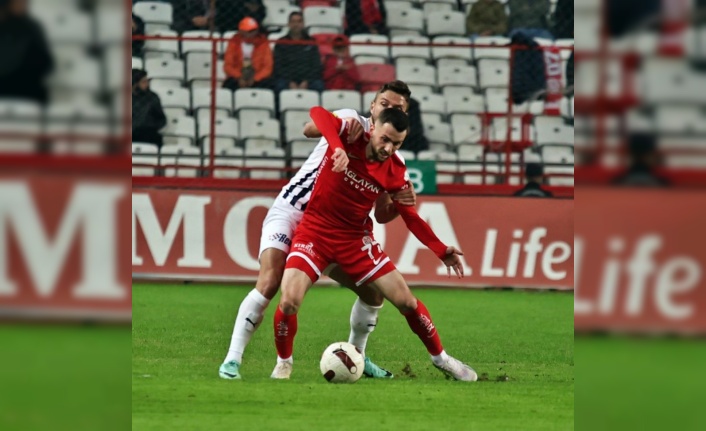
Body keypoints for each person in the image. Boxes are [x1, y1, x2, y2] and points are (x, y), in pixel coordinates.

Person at [218, 81, 417, 380]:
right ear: (373, 106)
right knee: (271, 281)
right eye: (385, 104)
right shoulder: (349, 120)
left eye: (398, 108)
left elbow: (381, 211)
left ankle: (356, 356)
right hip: (293, 210)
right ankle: (233, 359)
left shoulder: (386, 153)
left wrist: (401, 203)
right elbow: (308, 128)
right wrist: (336, 135)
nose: (390, 110)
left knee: (373, 296)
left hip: (332, 227)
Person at [272, 107, 477, 381]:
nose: (389, 148)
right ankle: (284, 363)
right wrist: (338, 148)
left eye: (397, 143)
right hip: (315, 232)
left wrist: (441, 250)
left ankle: (441, 359)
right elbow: (318, 113)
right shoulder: (350, 135)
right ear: (373, 129)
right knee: (289, 302)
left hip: (355, 240)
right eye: (385, 139)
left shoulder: (395, 171)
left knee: (406, 301)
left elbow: (411, 217)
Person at [0, 0, 54, 105]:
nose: (22, 5)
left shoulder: (31, 27)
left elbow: (46, 65)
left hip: (26, 92)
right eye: (18, 2)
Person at [273, 12, 324, 93]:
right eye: (293, 21)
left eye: (299, 21)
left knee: (319, 85)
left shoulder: (311, 42)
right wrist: (289, 81)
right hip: (286, 79)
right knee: (279, 85)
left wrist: (306, 81)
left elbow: (316, 65)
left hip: (308, 79)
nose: (296, 24)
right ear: (288, 24)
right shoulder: (281, 42)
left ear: (303, 24)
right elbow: (278, 66)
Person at [223, 17, 273, 91]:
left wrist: (255, 78)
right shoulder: (233, 42)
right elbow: (228, 66)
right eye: (249, 31)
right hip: (237, 77)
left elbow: (267, 67)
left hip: (257, 78)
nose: (252, 33)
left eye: (253, 30)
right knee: (228, 85)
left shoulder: (263, 43)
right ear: (241, 31)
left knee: (267, 84)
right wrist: (239, 77)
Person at [172, 0, 266, 33]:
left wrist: (211, 21)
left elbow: (232, 15)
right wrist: (191, 19)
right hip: (189, 26)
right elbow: (178, 10)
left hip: (222, 27)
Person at [132, 69, 167, 147]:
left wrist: (150, 125)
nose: (147, 84)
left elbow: (162, 120)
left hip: (148, 134)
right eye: (144, 82)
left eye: (147, 81)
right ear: (135, 84)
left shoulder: (152, 97)